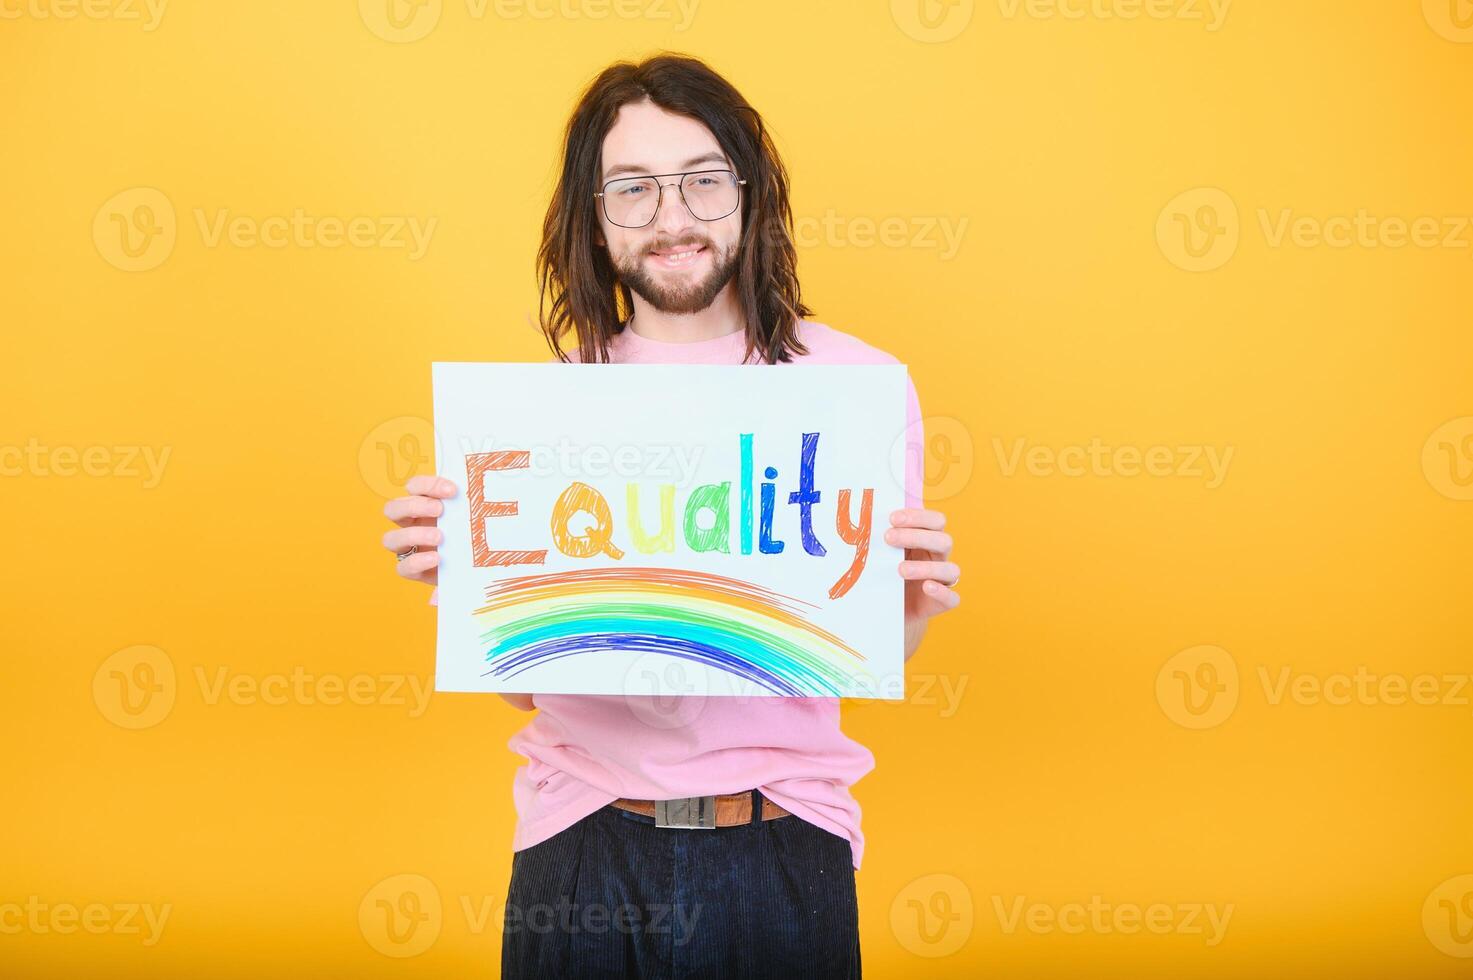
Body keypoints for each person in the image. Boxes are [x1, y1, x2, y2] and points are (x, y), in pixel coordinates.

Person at [380, 53, 961, 978]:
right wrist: (468, 589)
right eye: (633, 190)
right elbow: (533, 689)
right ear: (595, 217)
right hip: (579, 845)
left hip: (783, 844)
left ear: (748, 192)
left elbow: (864, 643)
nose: (672, 218)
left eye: (699, 181)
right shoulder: (545, 415)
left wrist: (914, 609)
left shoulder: (855, 390)